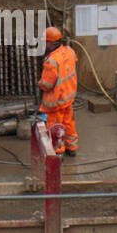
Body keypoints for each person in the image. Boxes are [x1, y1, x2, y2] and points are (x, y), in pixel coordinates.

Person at [38, 26, 79, 157]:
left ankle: (58, 152)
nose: (44, 45)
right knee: (69, 124)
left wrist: (39, 83)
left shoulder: (51, 62)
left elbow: (47, 85)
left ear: (51, 42)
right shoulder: (70, 51)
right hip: (68, 98)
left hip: (56, 102)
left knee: (56, 128)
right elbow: (71, 64)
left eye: (45, 42)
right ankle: (72, 147)